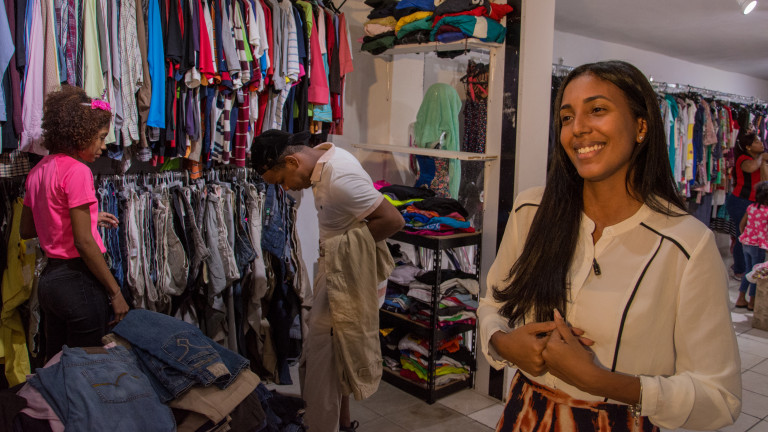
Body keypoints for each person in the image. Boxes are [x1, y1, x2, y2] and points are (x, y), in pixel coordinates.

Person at [478, 61, 741, 430]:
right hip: (524, 416)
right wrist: (503, 343)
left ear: (641, 126)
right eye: (567, 117)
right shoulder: (531, 211)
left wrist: (602, 381)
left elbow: (720, 398)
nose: (578, 128)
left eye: (597, 110)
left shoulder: (686, 245)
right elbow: (493, 303)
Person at [250, 130, 404, 432]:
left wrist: (342, 251)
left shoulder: (338, 178)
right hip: (338, 270)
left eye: (281, 181)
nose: (286, 188)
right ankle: (342, 424)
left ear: (292, 161)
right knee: (334, 358)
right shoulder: (325, 157)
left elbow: (393, 220)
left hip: (347, 278)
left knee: (321, 367)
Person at [19, 85, 130, 360]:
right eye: (101, 138)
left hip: (50, 283)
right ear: (80, 133)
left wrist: (89, 218)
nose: (103, 147)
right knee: (89, 369)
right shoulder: (78, 171)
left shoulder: (38, 171)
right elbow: (83, 242)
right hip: (78, 282)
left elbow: (27, 229)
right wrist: (115, 292)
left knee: (57, 366)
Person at [726, 131, 768, 280]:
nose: (761, 143)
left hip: (752, 203)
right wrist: (762, 157)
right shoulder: (744, 159)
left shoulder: (758, 160)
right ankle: (739, 269)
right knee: (743, 236)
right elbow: (750, 168)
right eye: (756, 142)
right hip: (740, 202)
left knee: (749, 236)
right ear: (748, 147)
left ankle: (745, 267)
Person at [737, 180, 768, 311]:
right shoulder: (767, 211)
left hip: (747, 243)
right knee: (756, 274)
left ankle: (741, 297)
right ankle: (752, 301)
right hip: (758, 246)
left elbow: (742, 224)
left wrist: (746, 236)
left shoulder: (751, 207)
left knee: (748, 271)